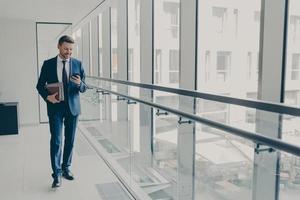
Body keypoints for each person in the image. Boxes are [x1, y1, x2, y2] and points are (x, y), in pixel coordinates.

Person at [36, 35, 87, 188]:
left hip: (73, 108)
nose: (68, 52)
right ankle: (56, 173)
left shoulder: (78, 64)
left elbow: (85, 87)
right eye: (66, 49)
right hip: (55, 108)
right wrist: (47, 97)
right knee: (57, 140)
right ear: (58, 46)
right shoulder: (48, 64)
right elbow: (39, 85)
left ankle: (66, 168)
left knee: (70, 140)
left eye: (71, 49)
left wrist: (80, 84)